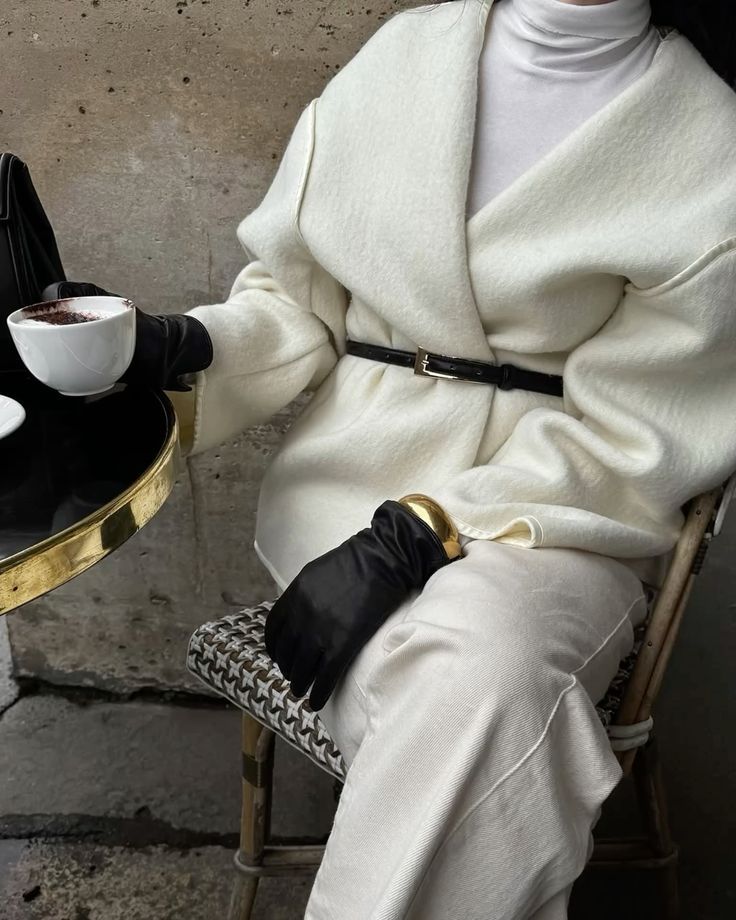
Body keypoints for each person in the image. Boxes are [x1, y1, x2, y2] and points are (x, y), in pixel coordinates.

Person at [53, 0, 736, 916]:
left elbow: (645, 430)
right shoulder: (405, 56)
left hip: (562, 518)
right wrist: (175, 346)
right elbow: (297, 309)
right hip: (346, 496)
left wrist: (425, 532)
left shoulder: (709, 141)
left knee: (483, 679)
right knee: (468, 714)